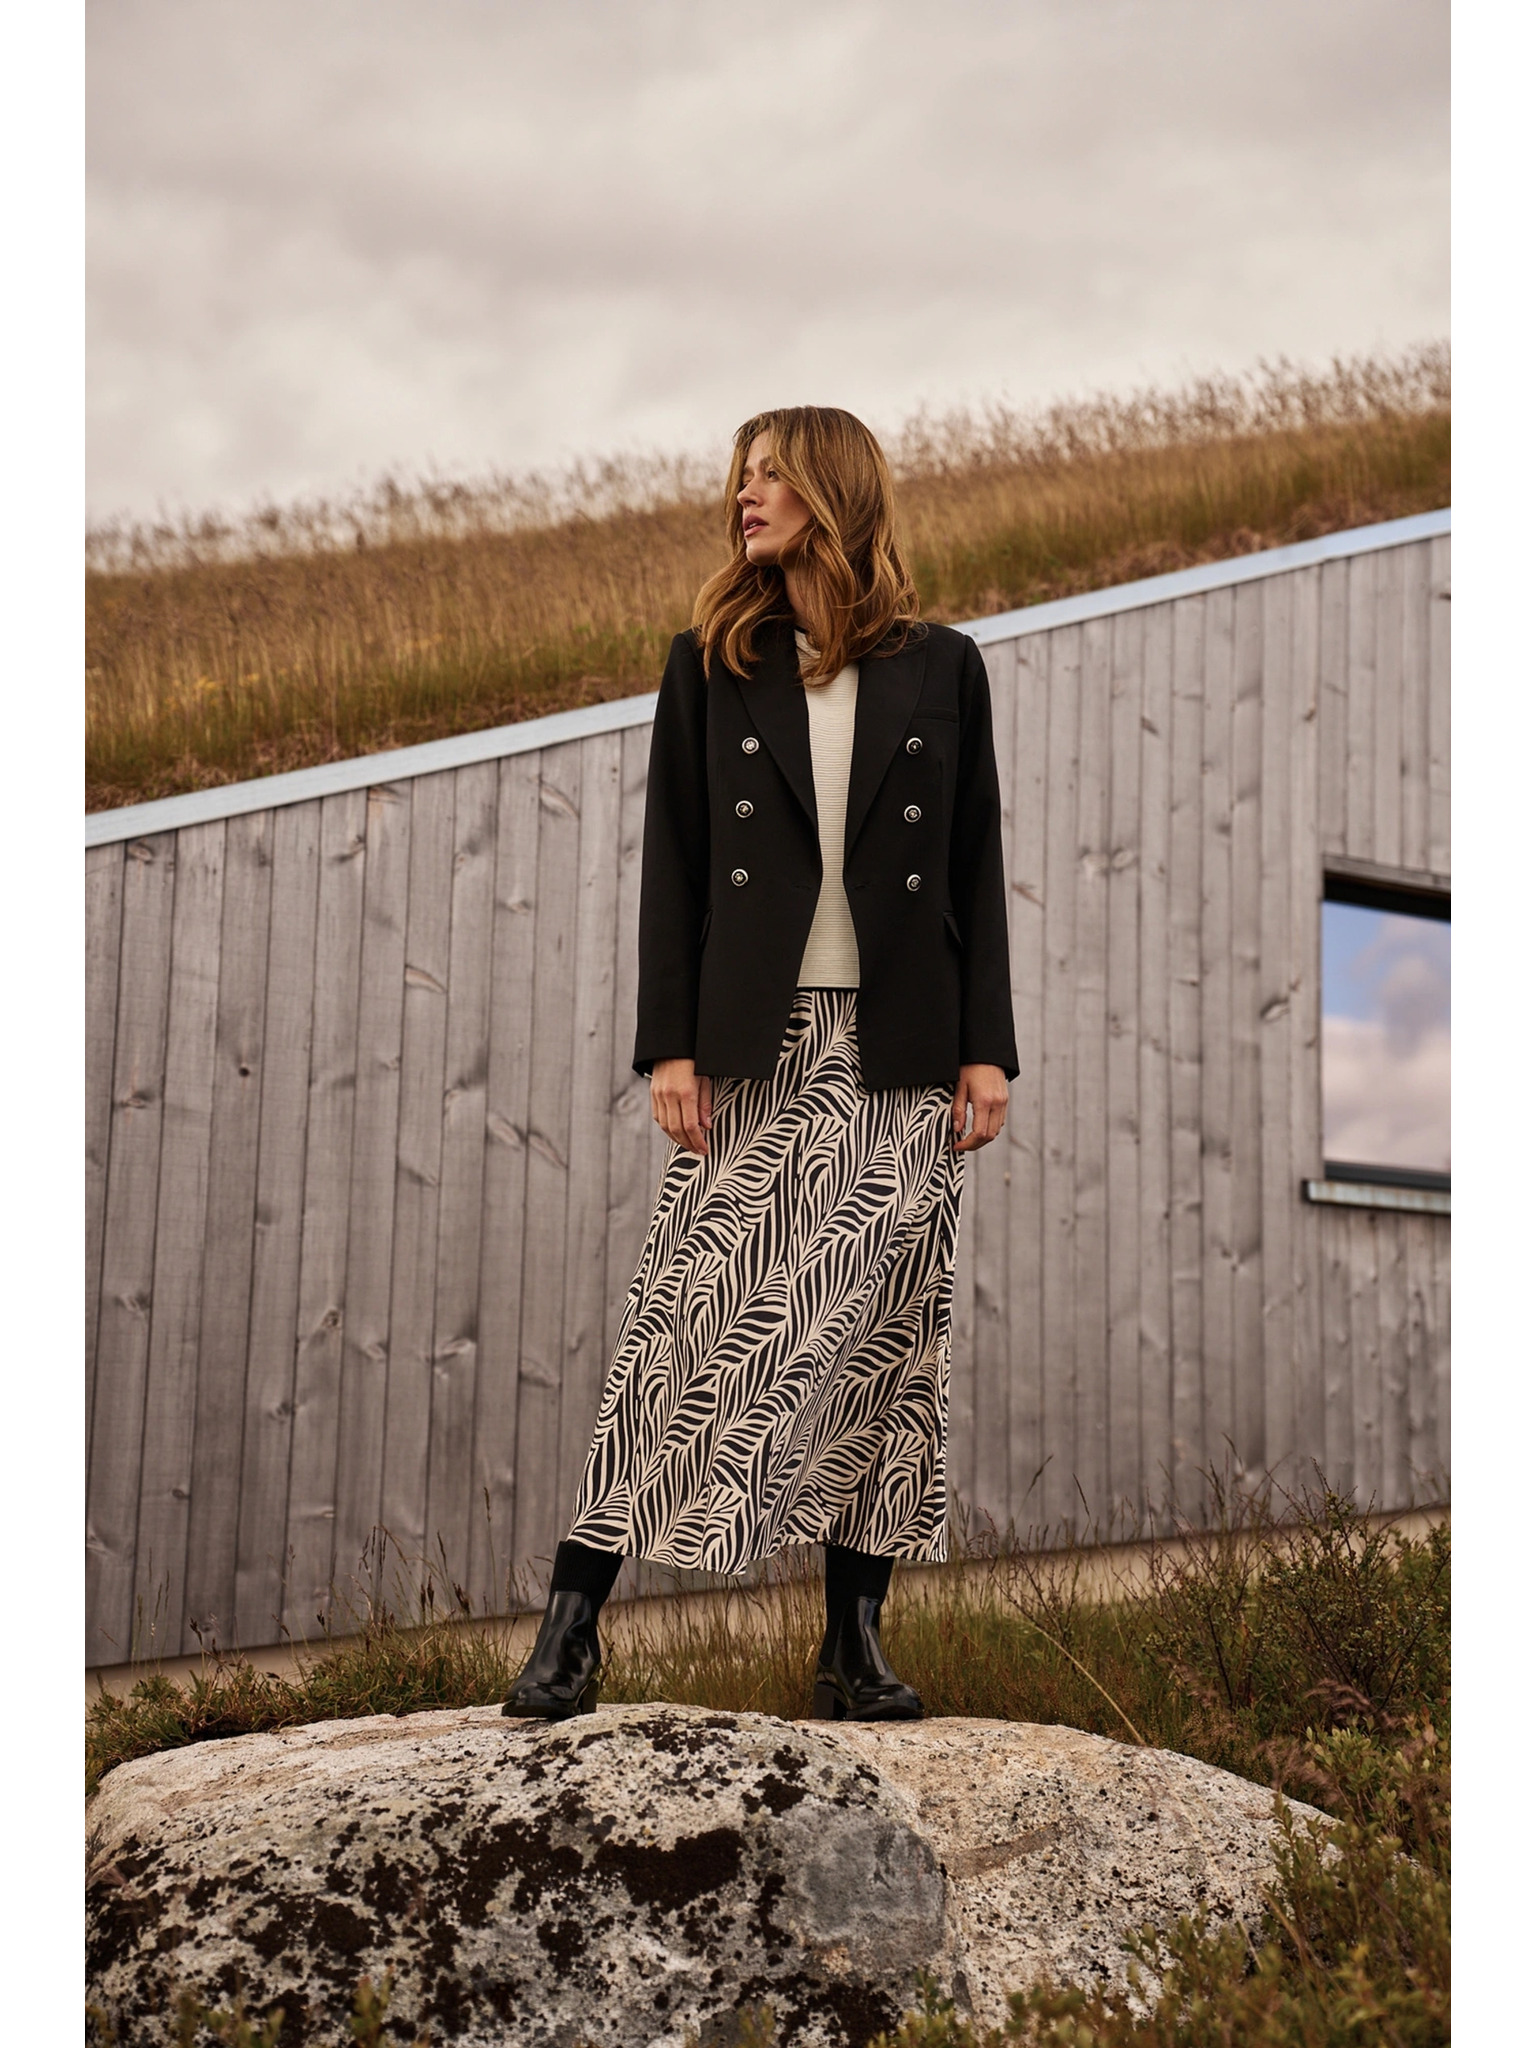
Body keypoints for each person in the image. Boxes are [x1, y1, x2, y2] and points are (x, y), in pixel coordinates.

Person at [502, 405, 1018, 1724]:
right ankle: (572, 1625)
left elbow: (974, 864)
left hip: (902, 1048)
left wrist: (987, 1051)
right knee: (685, 1321)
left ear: (832, 492)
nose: (746, 495)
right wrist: (670, 1046)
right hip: (759, 1044)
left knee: (888, 1338)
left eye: (772, 474)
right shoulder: (711, 664)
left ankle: (853, 1644)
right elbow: (674, 864)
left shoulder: (944, 667)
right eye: (741, 478)